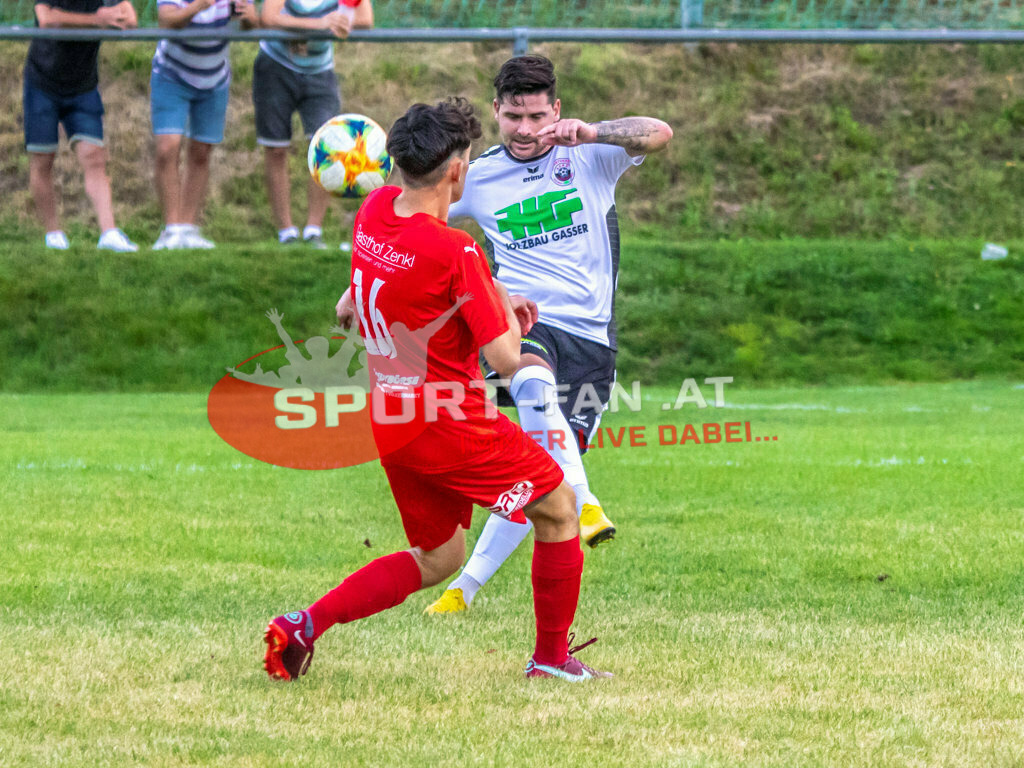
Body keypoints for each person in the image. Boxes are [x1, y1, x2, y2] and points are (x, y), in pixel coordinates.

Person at [264, 97, 610, 682]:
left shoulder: (374, 210)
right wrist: (512, 326)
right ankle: (551, 662)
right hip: (452, 424)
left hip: (393, 420)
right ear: (456, 169)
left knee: (438, 558)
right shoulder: (456, 250)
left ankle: (302, 626)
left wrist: (494, 295)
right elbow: (504, 360)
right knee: (559, 511)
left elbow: (362, 292)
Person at [425, 54, 673, 614]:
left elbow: (658, 133)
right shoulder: (480, 176)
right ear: (496, 112)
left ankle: (463, 590)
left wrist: (591, 132)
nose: (526, 130)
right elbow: (421, 222)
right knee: (532, 382)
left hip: (592, 340)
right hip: (522, 323)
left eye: (537, 116)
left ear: (555, 110)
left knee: (542, 475)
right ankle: (588, 504)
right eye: (514, 117)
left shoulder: (589, 156)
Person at [255, 0, 373, 248]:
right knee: (276, 149)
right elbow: (268, 17)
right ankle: (286, 232)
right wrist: (318, 25)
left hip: (320, 71)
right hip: (275, 67)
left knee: (326, 148)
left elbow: (365, 20)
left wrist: (342, 21)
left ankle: (313, 231)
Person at [23, 0, 139, 252]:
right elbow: (46, 18)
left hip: (83, 86)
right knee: (42, 160)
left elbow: (130, 19)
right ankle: (53, 236)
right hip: (42, 82)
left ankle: (109, 233)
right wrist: (98, 20)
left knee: (94, 156)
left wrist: (112, 17)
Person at [150, 0, 258, 250]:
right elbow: (167, 20)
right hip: (171, 75)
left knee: (201, 153)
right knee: (168, 149)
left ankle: (187, 230)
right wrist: (197, 6)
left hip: (215, 79)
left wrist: (249, 16)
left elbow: (251, 25)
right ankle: (171, 230)